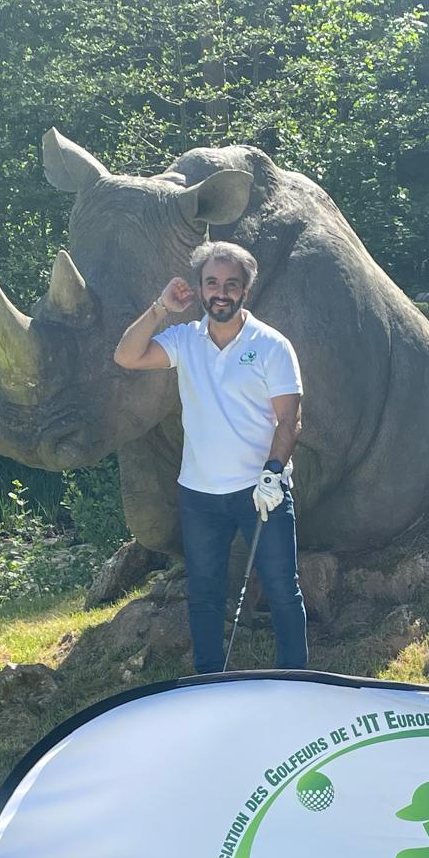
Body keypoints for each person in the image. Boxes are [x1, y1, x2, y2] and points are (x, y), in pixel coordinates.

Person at [111, 241, 307, 674]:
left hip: (262, 492)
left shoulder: (271, 345)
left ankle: (295, 678)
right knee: (203, 594)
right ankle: (208, 682)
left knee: (281, 588)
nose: (221, 292)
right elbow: (126, 355)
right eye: (212, 283)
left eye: (231, 284)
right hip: (199, 494)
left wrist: (273, 472)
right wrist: (161, 308)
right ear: (199, 289)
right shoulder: (185, 340)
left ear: (245, 291)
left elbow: (290, 419)